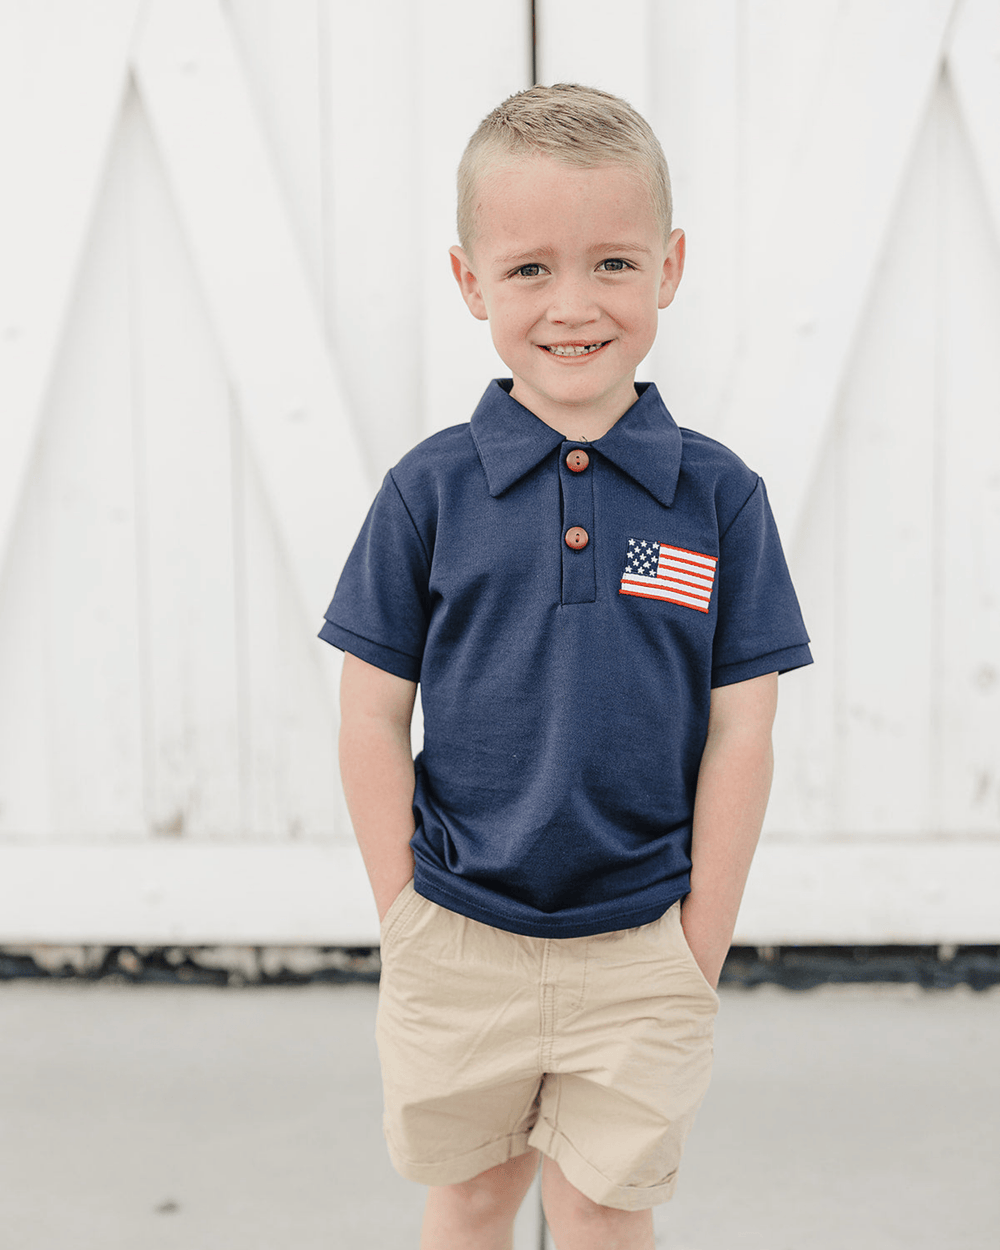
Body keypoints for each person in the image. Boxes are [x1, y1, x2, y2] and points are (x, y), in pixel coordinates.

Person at [321, 83, 812, 1250]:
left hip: (642, 937)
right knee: (475, 1196)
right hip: (458, 928)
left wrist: (699, 939)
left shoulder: (719, 496)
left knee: (602, 1203)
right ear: (469, 281)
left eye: (612, 263)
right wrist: (404, 913)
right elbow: (370, 713)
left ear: (669, 266)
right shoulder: (426, 492)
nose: (574, 304)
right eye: (531, 269)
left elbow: (744, 728)